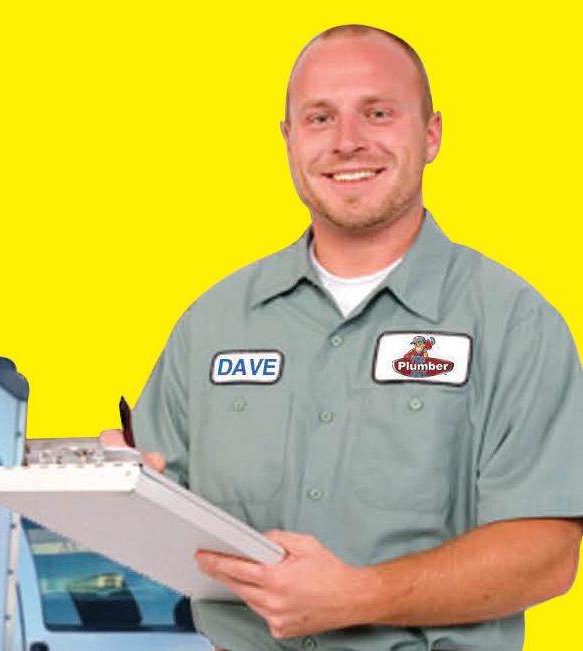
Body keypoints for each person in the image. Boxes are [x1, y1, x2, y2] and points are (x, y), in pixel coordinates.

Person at [115, 24, 583, 651]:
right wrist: (123, 489)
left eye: (378, 113)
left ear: (432, 134)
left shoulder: (514, 324)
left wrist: (360, 596)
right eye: (320, 118)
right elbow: (161, 520)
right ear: (289, 141)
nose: (347, 141)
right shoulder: (214, 322)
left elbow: (548, 555)